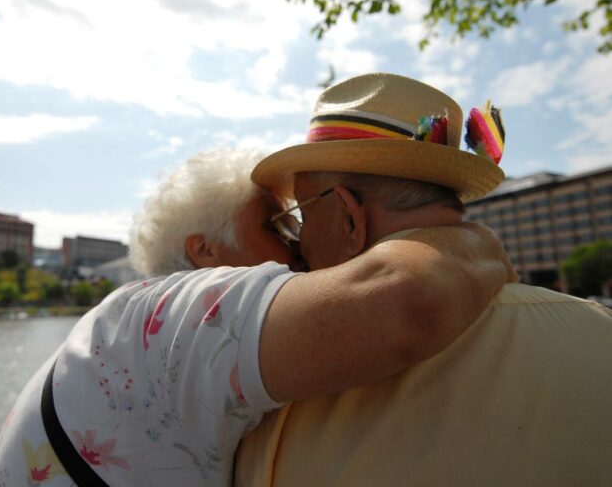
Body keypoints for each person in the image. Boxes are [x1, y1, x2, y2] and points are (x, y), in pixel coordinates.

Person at [0, 145, 512, 487]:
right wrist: (475, 239)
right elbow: (409, 300)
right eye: (278, 224)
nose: (301, 242)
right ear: (205, 252)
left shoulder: (121, 332)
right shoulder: (162, 320)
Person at [234, 72, 612, 486]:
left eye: (303, 215)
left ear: (348, 217)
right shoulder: (598, 331)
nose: (298, 239)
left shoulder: (289, 387)